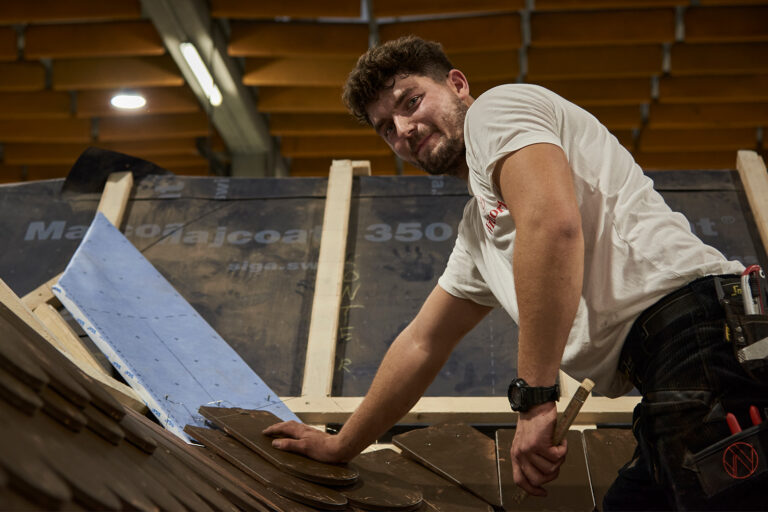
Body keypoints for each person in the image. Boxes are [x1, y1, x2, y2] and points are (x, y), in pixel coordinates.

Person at [263, 36, 768, 509]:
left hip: (700, 334)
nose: (403, 130)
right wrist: (342, 444)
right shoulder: (479, 229)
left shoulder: (495, 111)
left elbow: (552, 227)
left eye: (410, 102)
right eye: (386, 129)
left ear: (457, 84)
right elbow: (423, 342)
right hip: (671, 367)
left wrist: (536, 399)